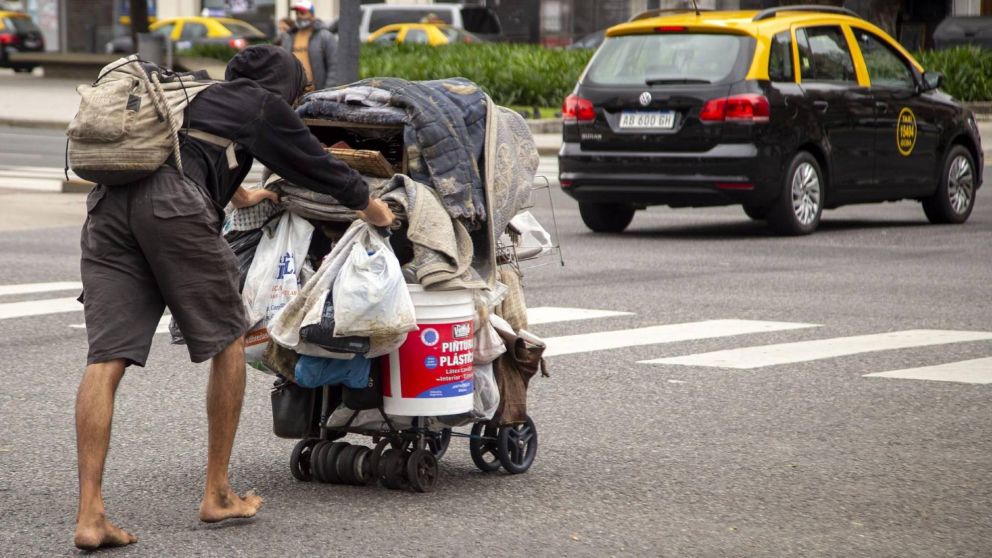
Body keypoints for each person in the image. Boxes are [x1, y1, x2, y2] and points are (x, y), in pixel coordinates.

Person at [73, 45, 394, 551]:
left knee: (105, 359)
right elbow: (317, 166)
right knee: (230, 341)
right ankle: (217, 493)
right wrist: (372, 208)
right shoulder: (262, 103)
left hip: (109, 209)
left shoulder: (199, 94)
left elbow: (194, 152)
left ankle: (90, 515)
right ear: (285, 86)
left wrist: (243, 195)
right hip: (173, 208)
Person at [280, 0, 338, 91]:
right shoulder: (289, 37)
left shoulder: (325, 36)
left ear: (312, 15)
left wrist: (327, 91)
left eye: (302, 13)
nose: (299, 16)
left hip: (317, 94)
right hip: (295, 95)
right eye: (297, 13)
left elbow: (334, 66)